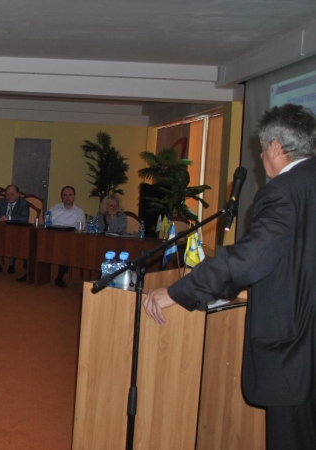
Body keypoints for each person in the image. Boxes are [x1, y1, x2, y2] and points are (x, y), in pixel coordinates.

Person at [143, 104, 316, 450]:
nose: (261, 158)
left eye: (262, 149)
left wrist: (178, 292)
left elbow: (249, 260)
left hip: (292, 351)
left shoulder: (282, 192)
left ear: (276, 148)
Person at [0, 185, 31, 276]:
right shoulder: (1, 202)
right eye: (7, 194)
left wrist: (9, 217)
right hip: (1, 230)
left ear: (18, 194)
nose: (9, 197)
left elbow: (24, 219)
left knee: (21, 241)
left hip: (17, 232)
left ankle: (11, 264)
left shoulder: (24, 204)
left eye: (11, 194)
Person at [48, 186, 85, 287]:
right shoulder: (54, 208)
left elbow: (80, 230)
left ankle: (60, 277)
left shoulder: (79, 212)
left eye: (70, 195)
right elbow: (47, 223)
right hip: (53, 237)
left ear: (74, 196)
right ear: (61, 197)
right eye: (65, 195)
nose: (67, 197)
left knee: (66, 248)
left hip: (70, 239)